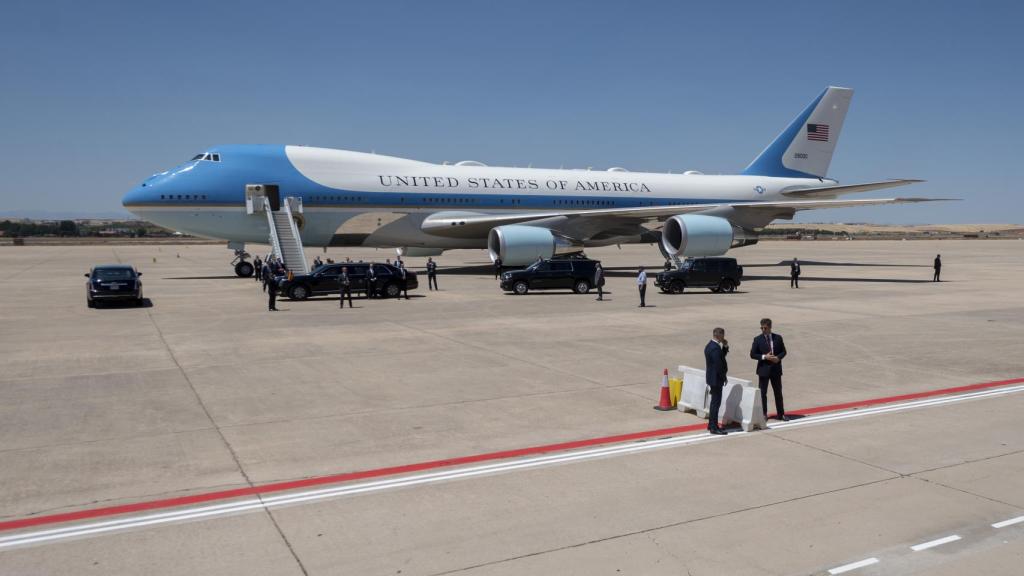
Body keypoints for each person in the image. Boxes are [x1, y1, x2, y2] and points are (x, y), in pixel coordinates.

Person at [750, 318, 788, 421]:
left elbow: (784, 351)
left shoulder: (778, 338)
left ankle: (781, 414)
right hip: (763, 370)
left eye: (765, 328)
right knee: (762, 394)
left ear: (770, 327)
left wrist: (778, 358)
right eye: (761, 328)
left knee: (778, 393)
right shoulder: (757, 339)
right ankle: (763, 414)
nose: (763, 330)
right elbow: (752, 354)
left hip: (775, 370)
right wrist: (764, 357)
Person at [704, 327, 729, 435]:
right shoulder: (714, 348)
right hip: (716, 379)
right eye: (723, 335)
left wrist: (725, 346)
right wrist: (724, 377)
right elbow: (718, 365)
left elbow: (720, 357)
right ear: (719, 335)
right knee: (715, 404)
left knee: (714, 403)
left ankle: (711, 424)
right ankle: (714, 427)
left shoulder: (711, 345)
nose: (723, 337)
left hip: (712, 378)